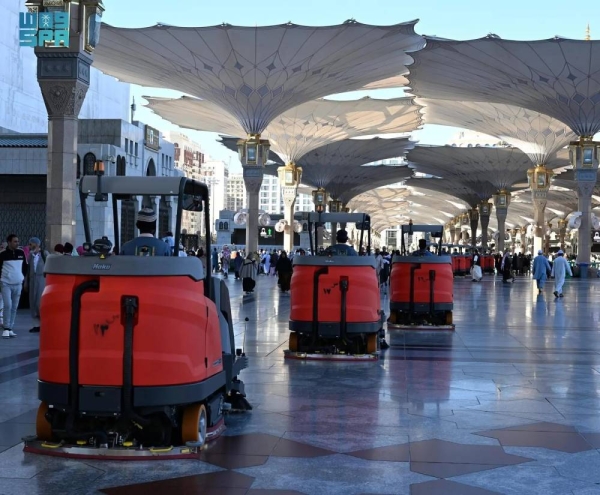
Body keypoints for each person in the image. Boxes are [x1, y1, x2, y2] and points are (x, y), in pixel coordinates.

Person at [0, 234, 28, 339]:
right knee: (8, 305)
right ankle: (6, 328)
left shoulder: (21, 253)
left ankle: (10, 328)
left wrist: (23, 279)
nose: (17, 243)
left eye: (18, 241)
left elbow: (25, 267)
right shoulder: (2, 254)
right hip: (5, 283)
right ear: (9, 242)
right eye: (15, 241)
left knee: (14, 307)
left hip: (18, 283)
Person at [25, 237, 49, 333]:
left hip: (42, 279)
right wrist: (26, 282)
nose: (30, 246)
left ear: (36, 244)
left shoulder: (44, 254)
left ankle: (44, 323)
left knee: (40, 301)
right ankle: (36, 325)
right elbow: (28, 269)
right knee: (33, 302)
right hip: (32, 280)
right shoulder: (30, 256)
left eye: (31, 244)